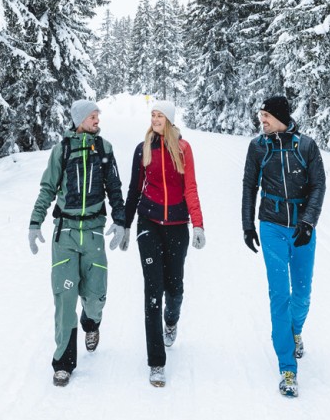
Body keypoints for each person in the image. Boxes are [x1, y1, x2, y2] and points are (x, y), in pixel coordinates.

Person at [29, 99, 127, 387]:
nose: (97, 119)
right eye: (93, 116)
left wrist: (120, 221)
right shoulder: (62, 150)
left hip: (94, 232)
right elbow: (47, 188)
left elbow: (115, 189)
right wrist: (35, 223)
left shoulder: (104, 149)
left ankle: (91, 323)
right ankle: (63, 363)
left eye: (98, 115)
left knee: (96, 297)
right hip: (66, 234)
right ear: (80, 119)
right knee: (64, 298)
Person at [241, 95, 326, 399]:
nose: (261, 120)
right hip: (272, 225)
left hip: (302, 226)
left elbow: (318, 185)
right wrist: (248, 225)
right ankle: (287, 367)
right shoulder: (258, 147)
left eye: (265, 115)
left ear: (279, 116)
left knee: (302, 293)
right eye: (260, 115)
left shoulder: (305, 146)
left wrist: (308, 222)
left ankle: (295, 330)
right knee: (280, 294)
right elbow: (249, 185)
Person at [121, 100, 205, 388]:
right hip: (149, 223)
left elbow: (190, 187)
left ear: (169, 120)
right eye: (152, 115)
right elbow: (134, 188)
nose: (155, 119)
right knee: (153, 290)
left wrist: (198, 224)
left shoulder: (184, 149)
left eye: (159, 115)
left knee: (174, 287)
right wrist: (125, 223)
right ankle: (156, 362)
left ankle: (172, 320)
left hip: (177, 226)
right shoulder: (143, 148)